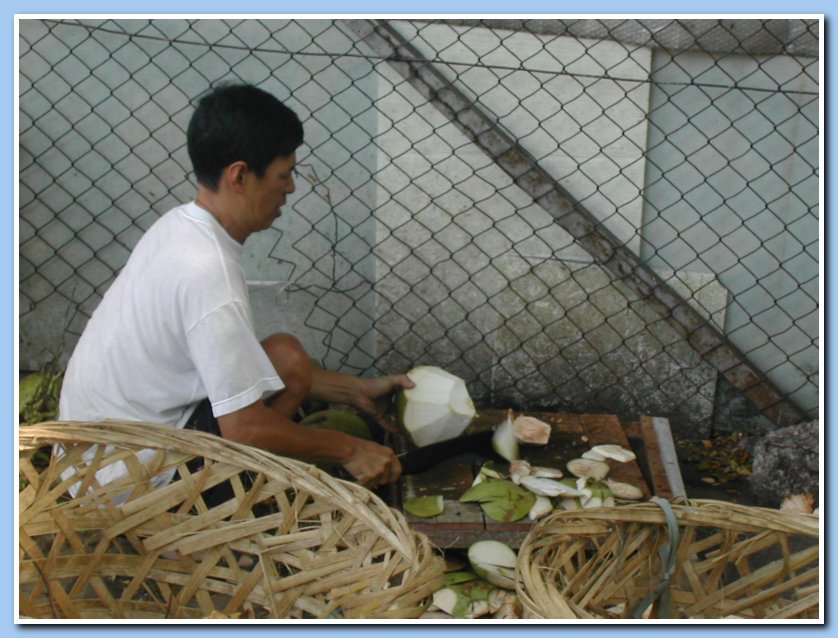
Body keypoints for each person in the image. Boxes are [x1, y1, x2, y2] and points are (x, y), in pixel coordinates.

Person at [58, 82, 409, 491]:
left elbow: (238, 372)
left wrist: (356, 393)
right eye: (285, 174)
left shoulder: (178, 226)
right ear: (240, 176)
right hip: (128, 485)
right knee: (287, 359)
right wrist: (350, 449)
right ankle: (216, 513)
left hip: (91, 463)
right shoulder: (206, 270)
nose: (291, 187)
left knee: (282, 359)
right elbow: (243, 428)